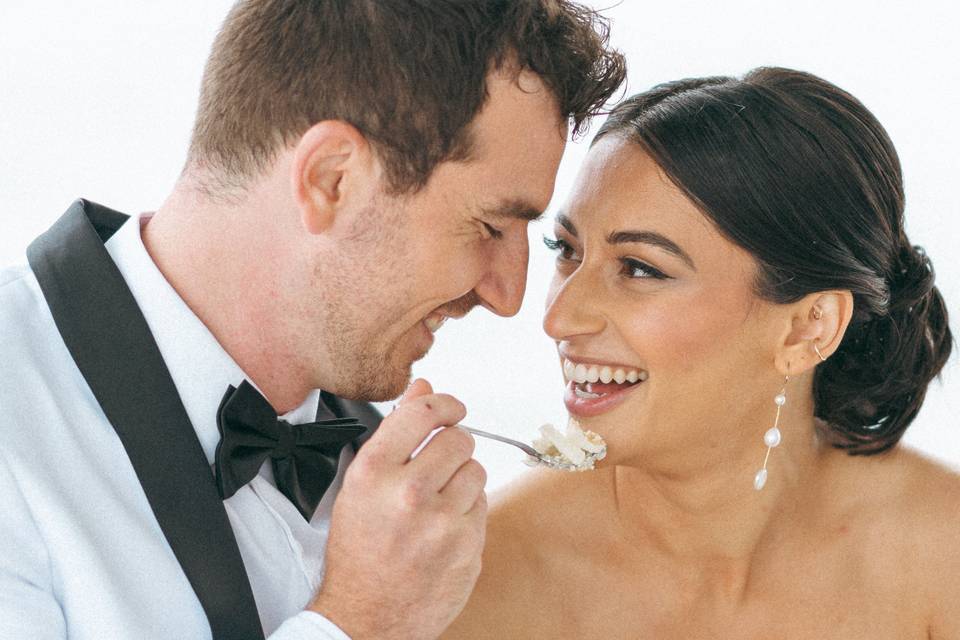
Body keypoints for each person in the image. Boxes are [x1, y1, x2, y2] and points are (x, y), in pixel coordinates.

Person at [0, 2, 625, 639]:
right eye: (490, 226)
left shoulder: (395, 492)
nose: (509, 295)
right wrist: (358, 622)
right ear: (332, 179)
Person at [442, 67, 958, 639]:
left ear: (807, 328)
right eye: (566, 250)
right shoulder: (479, 584)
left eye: (640, 268)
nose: (558, 318)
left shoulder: (941, 554)